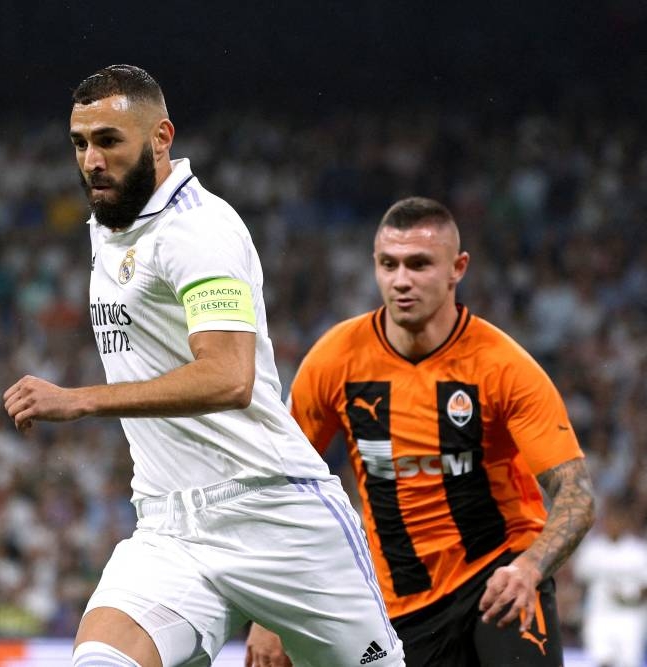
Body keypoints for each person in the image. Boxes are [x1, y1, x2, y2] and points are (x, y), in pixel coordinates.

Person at [3, 64, 403, 667]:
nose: (90, 160)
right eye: (80, 144)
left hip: (278, 517)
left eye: (109, 141)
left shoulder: (197, 228)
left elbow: (228, 377)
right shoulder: (112, 223)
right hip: (169, 527)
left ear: (161, 138)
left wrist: (81, 399)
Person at [246, 197, 596, 666]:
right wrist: (271, 613)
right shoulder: (335, 360)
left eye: (419, 264)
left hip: (499, 575)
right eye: (388, 264)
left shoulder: (503, 366)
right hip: (401, 602)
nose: (401, 280)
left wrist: (530, 567)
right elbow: (280, 487)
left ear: (458, 268)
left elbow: (576, 493)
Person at [572, 500, 647, 667]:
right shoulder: (592, 550)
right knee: (601, 660)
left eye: (618, 519)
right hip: (599, 615)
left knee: (628, 662)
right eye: (609, 519)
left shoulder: (639, 551)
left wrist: (631, 598)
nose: (613, 524)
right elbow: (581, 582)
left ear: (626, 521)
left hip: (630, 616)